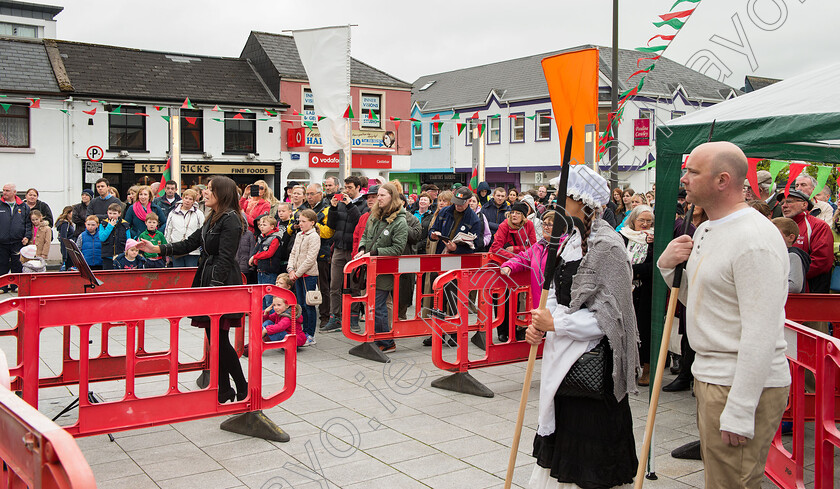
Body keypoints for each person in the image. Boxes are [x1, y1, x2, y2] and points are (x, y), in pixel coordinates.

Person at [658, 141, 790, 489]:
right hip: (712, 375)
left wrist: (742, 407)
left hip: (739, 383)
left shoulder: (754, 238)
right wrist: (668, 268)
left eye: (693, 172)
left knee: (734, 483)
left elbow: (761, 331)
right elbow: (701, 301)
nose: (684, 178)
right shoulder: (705, 229)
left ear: (723, 180)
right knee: (720, 480)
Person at [526, 164, 640, 489]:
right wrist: (541, 323)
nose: (556, 202)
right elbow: (555, 295)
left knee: (591, 460)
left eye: (564, 196)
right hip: (562, 361)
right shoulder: (569, 241)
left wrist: (557, 323)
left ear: (583, 201)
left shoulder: (608, 248)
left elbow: (610, 318)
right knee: (563, 442)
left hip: (593, 371)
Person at [137, 176, 249, 404]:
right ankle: (224, 388)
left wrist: (214, 289)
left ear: (222, 193)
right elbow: (189, 243)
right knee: (213, 337)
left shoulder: (231, 220)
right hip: (208, 276)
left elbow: (226, 257)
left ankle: (242, 386)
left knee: (219, 337)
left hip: (221, 281)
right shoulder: (212, 218)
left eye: (209, 189)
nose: (204, 193)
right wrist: (156, 247)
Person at [355, 183, 408, 352]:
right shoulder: (374, 215)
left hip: (384, 271)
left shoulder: (400, 221)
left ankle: (386, 341)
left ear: (392, 197)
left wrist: (374, 252)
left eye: (382, 195)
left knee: (378, 306)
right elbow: (365, 236)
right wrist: (362, 249)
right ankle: (376, 337)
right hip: (370, 269)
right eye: (378, 195)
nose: (378, 198)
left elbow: (397, 249)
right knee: (373, 305)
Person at [322, 176, 363, 332]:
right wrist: (333, 208)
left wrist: (350, 205)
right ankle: (335, 318)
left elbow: (359, 222)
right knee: (334, 285)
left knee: (354, 286)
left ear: (358, 187)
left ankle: (353, 318)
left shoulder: (363, 203)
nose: (347, 190)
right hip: (339, 248)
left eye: (350, 187)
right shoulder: (339, 202)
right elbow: (332, 225)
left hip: (354, 250)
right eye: (345, 187)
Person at [620, 204, 655, 386]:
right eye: (642, 220)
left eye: (649, 221)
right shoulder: (623, 236)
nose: (645, 224)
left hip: (645, 290)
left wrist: (632, 271)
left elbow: (653, 266)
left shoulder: (654, 239)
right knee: (626, 329)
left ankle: (647, 368)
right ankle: (630, 366)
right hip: (625, 290)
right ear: (633, 220)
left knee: (644, 328)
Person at [777, 189, 833, 293]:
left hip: (810, 291)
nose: (784, 206)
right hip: (782, 288)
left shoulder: (818, 226)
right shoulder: (776, 225)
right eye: (782, 203)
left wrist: (793, 275)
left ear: (804, 204)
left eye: (789, 201)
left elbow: (822, 261)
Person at [301, 183, 334, 329]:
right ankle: (306, 315)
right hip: (304, 252)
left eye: (312, 194)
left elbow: (328, 232)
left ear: (320, 194)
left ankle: (325, 315)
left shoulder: (326, 208)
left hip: (322, 252)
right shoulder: (303, 208)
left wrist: (313, 225)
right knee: (306, 288)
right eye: (307, 194)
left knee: (323, 286)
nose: (309, 196)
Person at [287, 208, 320, 346]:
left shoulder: (314, 237)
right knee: (300, 304)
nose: (300, 224)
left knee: (309, 304)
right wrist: (290, 269)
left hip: (309, 275)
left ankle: (310, 334)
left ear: (312, 222)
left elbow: (310, 258)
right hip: (297, 274)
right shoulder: (299, 235)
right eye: (299, 221)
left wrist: (297, 273)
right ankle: (303, 331)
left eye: (304, 221)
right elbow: (293, 253)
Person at [0, 184, 31, 293]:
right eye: (3, 190)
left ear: (14, 192)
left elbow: (28, 224)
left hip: (17, 241)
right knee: (2, 264)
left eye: (7, 190)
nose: (4, 193)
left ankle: (15, 286)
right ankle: (2, 287)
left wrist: (27, 236)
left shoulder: (23, 206)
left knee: (17, 264)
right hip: (2, 241)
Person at [397, 191, 422, 320]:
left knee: (404, 292)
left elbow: (415, 237)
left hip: (407, 259)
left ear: (403, 203)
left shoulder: (412, 219)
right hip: (391, 259)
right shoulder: (385, 217)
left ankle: (402, 315)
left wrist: (402, 223)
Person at [164, 189, 205, 268]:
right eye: (186, 198)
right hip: (176, 248)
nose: (187, 201)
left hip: (193, 251)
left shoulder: (198, 214)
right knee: (178, 274)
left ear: (193, 201)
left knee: (190, 274)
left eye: (190, 199)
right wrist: (168, 248)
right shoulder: (173, 212)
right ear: (182, 198)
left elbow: (202, 230)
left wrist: (201, 247)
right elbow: (168, 230)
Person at [250, 216, 284, 308]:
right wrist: (254, 258)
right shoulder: (261, 237)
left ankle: (271, 319)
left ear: (272, 226)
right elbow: (256, 250)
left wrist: (255, 257)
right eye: (260, 225)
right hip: (261, 270)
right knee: (262, 297)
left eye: (264, 225)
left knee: (270, 297)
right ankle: (264, 318)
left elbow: (269, 253)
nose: (261, 227)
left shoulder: (275, 238)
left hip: (269, 271)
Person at [772, 217, 810, 293]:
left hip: (790, 302)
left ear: (791, 237)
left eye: (775, 233)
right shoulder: (774, 254)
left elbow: (795, 286)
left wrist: (767, 286)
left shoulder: (793, 256)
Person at [98, 203, 131, 270]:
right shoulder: (103, 224)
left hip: (121, 256)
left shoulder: (125, 225)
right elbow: (102, 238)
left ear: (119, 214)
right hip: (107, 256)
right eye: (110, 213)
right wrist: (110, 226)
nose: (112, 216)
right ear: (107, 213)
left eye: (114, 213)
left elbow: (128, 241)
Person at [236, 211, 257, 284]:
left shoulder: (249, 234)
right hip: (233, 267)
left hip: (245, 268)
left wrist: (251, 267)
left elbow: (252, 250)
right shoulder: (230, 234)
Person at [54, 206, 75, 270]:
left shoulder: (68, 223)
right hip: (68, 248)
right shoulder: (65, 223)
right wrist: (65, 255)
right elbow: (64, 238)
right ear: (68, 213)